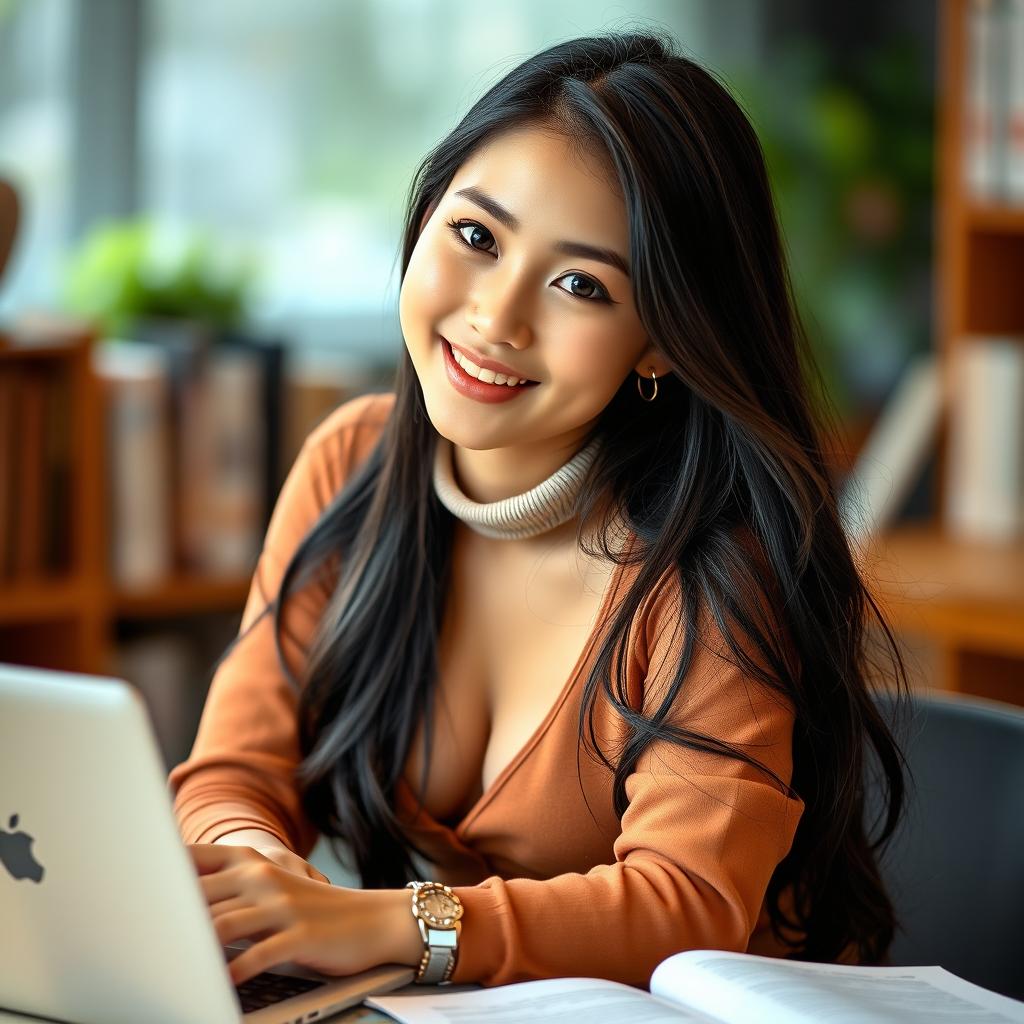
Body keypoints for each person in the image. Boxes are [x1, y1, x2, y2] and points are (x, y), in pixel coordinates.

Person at [169, 29, 907, 991]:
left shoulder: (715, 564)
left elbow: (690, 902)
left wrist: (402, 925)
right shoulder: (351, 463)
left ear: (662, 343)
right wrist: (254, 875)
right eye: (476, 235)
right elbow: (237, 771)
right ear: (426, 212)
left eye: (581, 285)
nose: (496, 319)